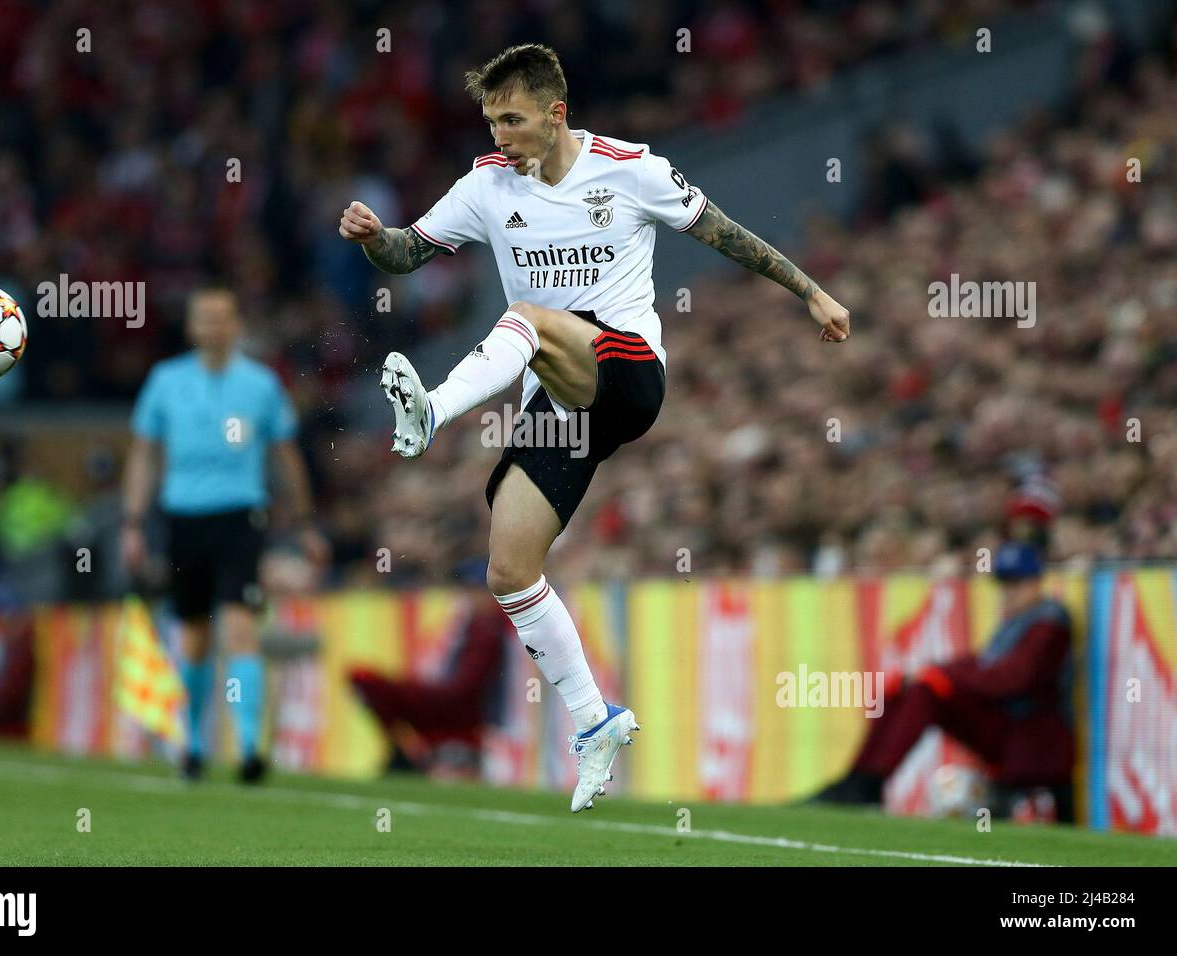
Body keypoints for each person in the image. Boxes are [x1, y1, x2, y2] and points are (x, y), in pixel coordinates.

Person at [339, 43, 851, 811]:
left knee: (525, 318)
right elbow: (409, 254)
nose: (499, 135)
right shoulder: (486, 186)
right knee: (508, 568)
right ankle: (596, 720)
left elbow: (724, 231)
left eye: (512, 119)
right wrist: (375, 237)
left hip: (630, 372)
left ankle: (434, 408)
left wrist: (811, 292)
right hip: (561, 397)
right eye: (490, 119)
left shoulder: (630, 168)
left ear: (556, 113)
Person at [121, 288, 328, 783]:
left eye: (222, 318)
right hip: (182, 518)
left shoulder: (260, 385)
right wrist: (133, 522)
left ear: (236, 325)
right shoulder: (165, 381)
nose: (213, 327)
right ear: (192, 327)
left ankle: (250, 749)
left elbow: (285, 456)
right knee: (193, 636)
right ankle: (192, 745)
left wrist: (303, 524)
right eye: (204, 319)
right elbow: (146, 454)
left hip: (241, 517)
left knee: (239, 626)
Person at [809, 541, 1075, 820]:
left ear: (1036, 582)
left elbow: (1012, 679)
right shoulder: (1020, 620)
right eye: (1004, 584)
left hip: (1031, 733)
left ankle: (868, 784)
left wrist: (942, 675)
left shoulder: (1049, 622)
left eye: (1016, 583)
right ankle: (860, 779)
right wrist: (932, 671)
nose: (1008, 592)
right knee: (907, 686)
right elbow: (985, 665)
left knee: (926, 689)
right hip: (1009, 727)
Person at [348, 559, 508, 776]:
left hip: (461, 711)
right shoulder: (469, 625)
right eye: (466, 590)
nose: (467, 597)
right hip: (449, 701)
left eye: (474, 590)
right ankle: (404, 751)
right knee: (365, 679)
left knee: (366, 679)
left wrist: (414, 688)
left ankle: (404, 754)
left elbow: (463, 690)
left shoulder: (486, 629)